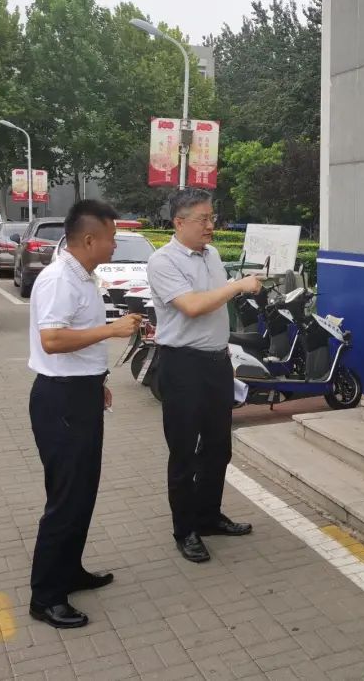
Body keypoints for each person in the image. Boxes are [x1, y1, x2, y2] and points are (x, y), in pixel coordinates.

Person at [27, 200, 142, 628]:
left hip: (81, 393)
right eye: (111, 238)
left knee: (82, 492)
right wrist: (113, 330)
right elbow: (53, 340)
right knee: (66, 499)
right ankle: (46, 597)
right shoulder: (60, 279)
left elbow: (76, 341)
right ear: (90, 239)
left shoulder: (83, 276)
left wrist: (98, 382)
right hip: (61, 400)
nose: (115, 245)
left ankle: (69, 570)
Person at [147, 189, 262, 563]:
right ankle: (185, 530)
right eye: (203, 219)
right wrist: (237, 285)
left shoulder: (211, 255)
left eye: (213, 218)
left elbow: (216, 303)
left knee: (218, 447)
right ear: (179, 222)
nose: (211, 226)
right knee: (183, 452)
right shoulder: (163, 261)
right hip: (182, 365)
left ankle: (209, 516)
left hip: (216, 363)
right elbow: (193, 306)